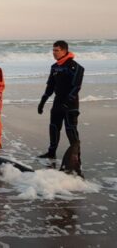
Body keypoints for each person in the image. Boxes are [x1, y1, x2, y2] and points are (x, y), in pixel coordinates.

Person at [37, 41, 84, 173]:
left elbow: (76, 87)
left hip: (71, 104)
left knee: (71, 130)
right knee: (53, 127)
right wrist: (42, 102)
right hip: (58, 102)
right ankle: (51, 153)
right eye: (53, 50)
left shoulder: (75, 67)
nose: (54, 53)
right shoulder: (54, 67)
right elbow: (50, 87)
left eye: (56, 50)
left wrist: (67, 102)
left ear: (64, 51)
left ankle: (76, 158)